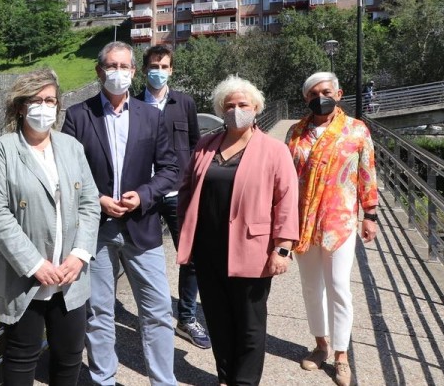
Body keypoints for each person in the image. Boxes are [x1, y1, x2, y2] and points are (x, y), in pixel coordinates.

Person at [62, 41, 179, 386]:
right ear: (99, 71)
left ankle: (163, 381)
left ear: (133, 71)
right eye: (111, 66)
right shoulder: (78, 116)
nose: (118, 72)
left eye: (124, 66)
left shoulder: (151, 115)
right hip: (95, 230)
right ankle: (103, 379)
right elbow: (67, 173)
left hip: (141, 227)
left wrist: (142, 196)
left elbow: (170, 170)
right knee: (99, 312)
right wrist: (97, 199)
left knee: (158, 311)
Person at [0, 68, 101, 386]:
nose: (44, 107)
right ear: (21, 106)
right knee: (21, 360)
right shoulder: (5, 150)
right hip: (26, 279)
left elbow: (90, 204)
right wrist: (34, 264)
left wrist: (79, 255)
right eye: (36, 100)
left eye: (50, 100)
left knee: (69, 358)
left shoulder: (71, 147)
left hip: (70, 278)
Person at [176, 75, 299, 386]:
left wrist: (282, 248)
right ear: (220, 109)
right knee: (218, 320)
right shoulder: (206, 145)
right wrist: (186, 232)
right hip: (208, 249)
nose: (235, 110)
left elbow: (287, 201)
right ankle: (225, 377)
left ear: (256, 107)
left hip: (252, 250)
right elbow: (187, 189)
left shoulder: (274, 150)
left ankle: (244, 382)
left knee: (249, 324)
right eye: (229, 105)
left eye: (243, 104)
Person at [285, 72, 379, 386]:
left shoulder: (356, 130)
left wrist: (371, 215)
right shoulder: (296, 132)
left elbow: (367, 173)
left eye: (325, 91)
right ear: (306, 99)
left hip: (339, 222)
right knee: (312, 288)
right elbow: (285, 178)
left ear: (338, 93)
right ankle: (321, 345)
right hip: (303, 222)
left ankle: (342, 354)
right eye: (312, 94)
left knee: (339, 287)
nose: (319, 97)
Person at [141, 44, 209, 349]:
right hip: (142, 192)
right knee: (140, 256)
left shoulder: (184, 103)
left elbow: (196, 147)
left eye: (165, 66)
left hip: (177, 191)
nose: (159, 71)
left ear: (172, 70)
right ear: (145, 70)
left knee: (190, 256)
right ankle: (150, 317)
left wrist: (196, 186)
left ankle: (186, 317)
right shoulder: (131, 104)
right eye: (154, 65)